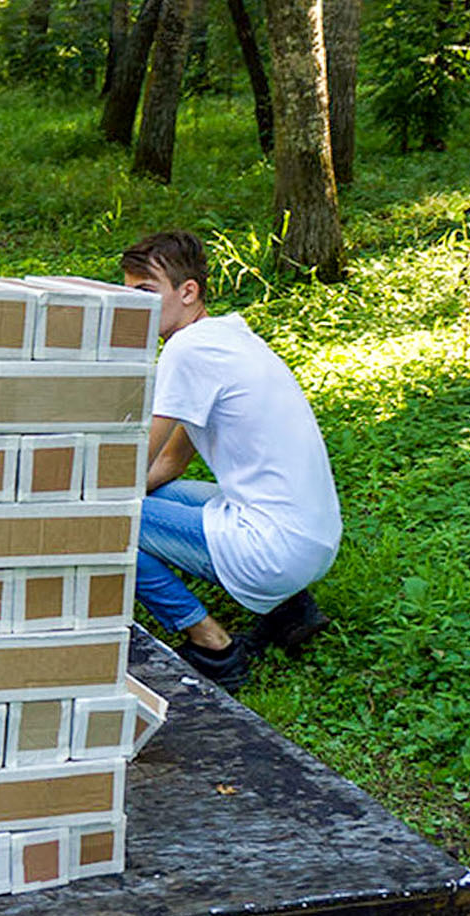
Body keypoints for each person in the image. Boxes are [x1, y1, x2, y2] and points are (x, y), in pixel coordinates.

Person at [121, 230, 340, 691]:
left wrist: (72, 503)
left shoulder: (187, 350)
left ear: (188, 292)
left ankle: (214, 648)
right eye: (125, 293)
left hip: (275, 549)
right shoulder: (226, 336)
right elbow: (169, 465)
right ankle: (289, 609)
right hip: (311, 539)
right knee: (161, 494)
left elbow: (136, 456)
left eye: (144, 292)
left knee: (101, 522)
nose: (130, 306)